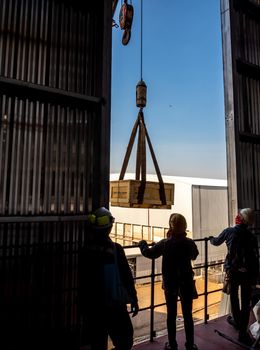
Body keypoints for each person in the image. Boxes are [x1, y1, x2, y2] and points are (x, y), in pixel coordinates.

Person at [79, 207, 139, 350]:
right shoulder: (116, 249)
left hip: (93, 306)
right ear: (110, 228)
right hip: (114, 305)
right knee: (125, 340)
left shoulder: (85, 250)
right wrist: (133, 298)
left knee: (97, 342)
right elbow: (126, 276)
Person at [139, 213, 199, 350]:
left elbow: (149, 253)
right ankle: (190, 345)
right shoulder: (189, 243)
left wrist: (142, 244)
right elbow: (194, 255)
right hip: (186, 282)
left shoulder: (165, 244)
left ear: (171, 226)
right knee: (187, 315)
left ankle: (172, 345)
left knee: (171, 315)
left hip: (170, 283)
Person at [210, 208, 259, 345]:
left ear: (240, 218)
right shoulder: (252, 237)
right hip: (248, 273)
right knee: (246, 302)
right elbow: (255, 259)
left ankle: (236, 321)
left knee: (234, 298)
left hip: (233, 271)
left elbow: (216, 241)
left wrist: (210, 239)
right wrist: (255, 276)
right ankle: (243, 332)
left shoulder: (230, 231)